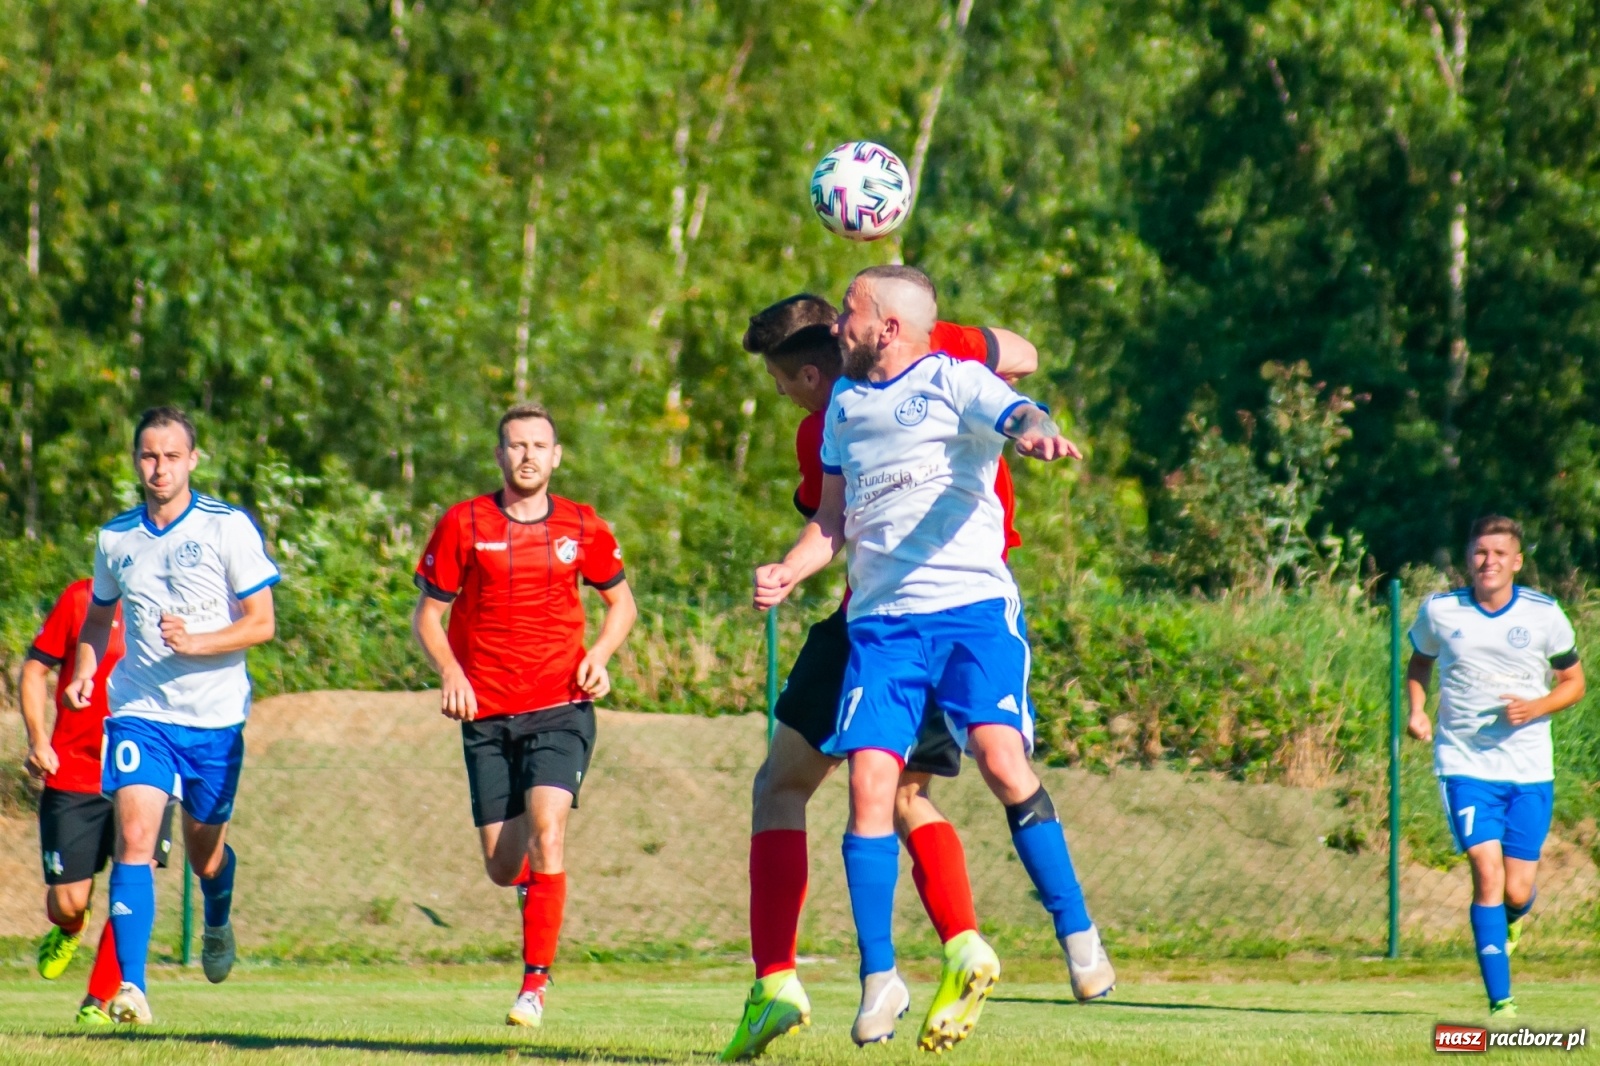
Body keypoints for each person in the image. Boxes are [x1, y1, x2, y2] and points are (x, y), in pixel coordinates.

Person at [754, 265, 1114, 1052]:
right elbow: (831, 521)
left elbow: (1018, 404)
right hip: (882, 628)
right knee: (870, 785)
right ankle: (879, 976)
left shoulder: (954, 379)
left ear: (884, 325)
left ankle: (1078, 934)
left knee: (999, 759)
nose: (837, 325)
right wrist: (789, 567)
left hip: (973, 613)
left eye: (847, 313)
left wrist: (1036, 430)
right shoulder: (844, 405)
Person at [413, 403, 637, 1028]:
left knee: (549, 828)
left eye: (540, 445)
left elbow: (623, 605)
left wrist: (599, 654)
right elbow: (427, 616)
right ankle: (530, 893)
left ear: (556, 455)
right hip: (485, 712)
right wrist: (452, 672)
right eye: (516, 445)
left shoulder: (583, 526)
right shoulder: (464, 523)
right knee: (502, 865)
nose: (528, 455)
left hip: (561, 705)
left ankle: (534, 984)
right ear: (499, 455)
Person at [67, 405, 281, 1025]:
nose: (158, 468)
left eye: (170, 456)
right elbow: (100, 614)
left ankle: (217, 914)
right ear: (137, 461)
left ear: (192, 460)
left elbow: (262, 623)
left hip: (214, 719)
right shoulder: (116, 537)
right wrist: (85, 668)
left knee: (203, 853)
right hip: (139, 711)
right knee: (134, 840)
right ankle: (131, 988)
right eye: (148, 456)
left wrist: (199, 641)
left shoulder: (227, 527)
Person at [1406, 515, 1585, 1019]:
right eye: (1481, 553)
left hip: (1529, 769)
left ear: (1517, 561)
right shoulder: (1441, 611)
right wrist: (1418, 711)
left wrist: (1537, 707)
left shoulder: (1544, 614)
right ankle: (1501, 1003)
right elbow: (1420, 661)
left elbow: (1575, 683)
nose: (1489, 562)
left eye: (1500, 554)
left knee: (1517, 890)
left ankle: (1512, 918)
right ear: (1469, 558)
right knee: (1485, 871)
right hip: (1463, 763)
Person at [22, 579, 176, 1025]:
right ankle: (70, 926)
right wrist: (36, 739)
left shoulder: (179, 604)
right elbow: (35, 670)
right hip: (74, 769)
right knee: (67, 902)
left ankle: (99, 1002)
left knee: (136, 874)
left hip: (149, 764)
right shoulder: (81, 599)